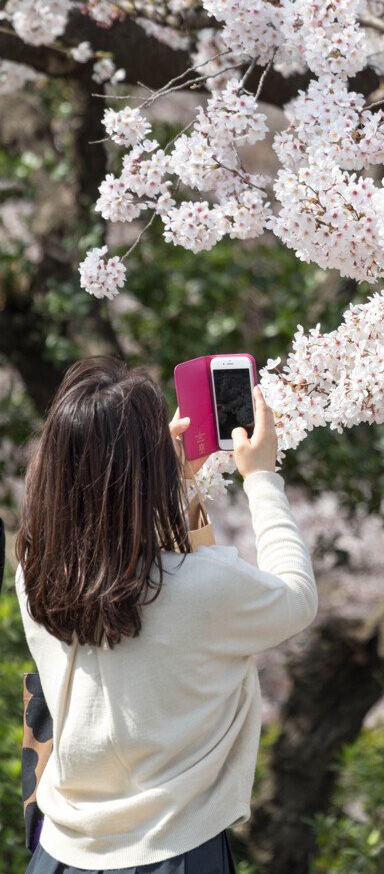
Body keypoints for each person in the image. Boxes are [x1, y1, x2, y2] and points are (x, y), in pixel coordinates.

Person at [15, 356, 318, 874]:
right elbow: (296, 598)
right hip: (175, 850)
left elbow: (115, 563)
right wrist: (262, 478)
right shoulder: (202, 588)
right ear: (147, 466)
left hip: (62, 852)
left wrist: (167, 484)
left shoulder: (34, 576)